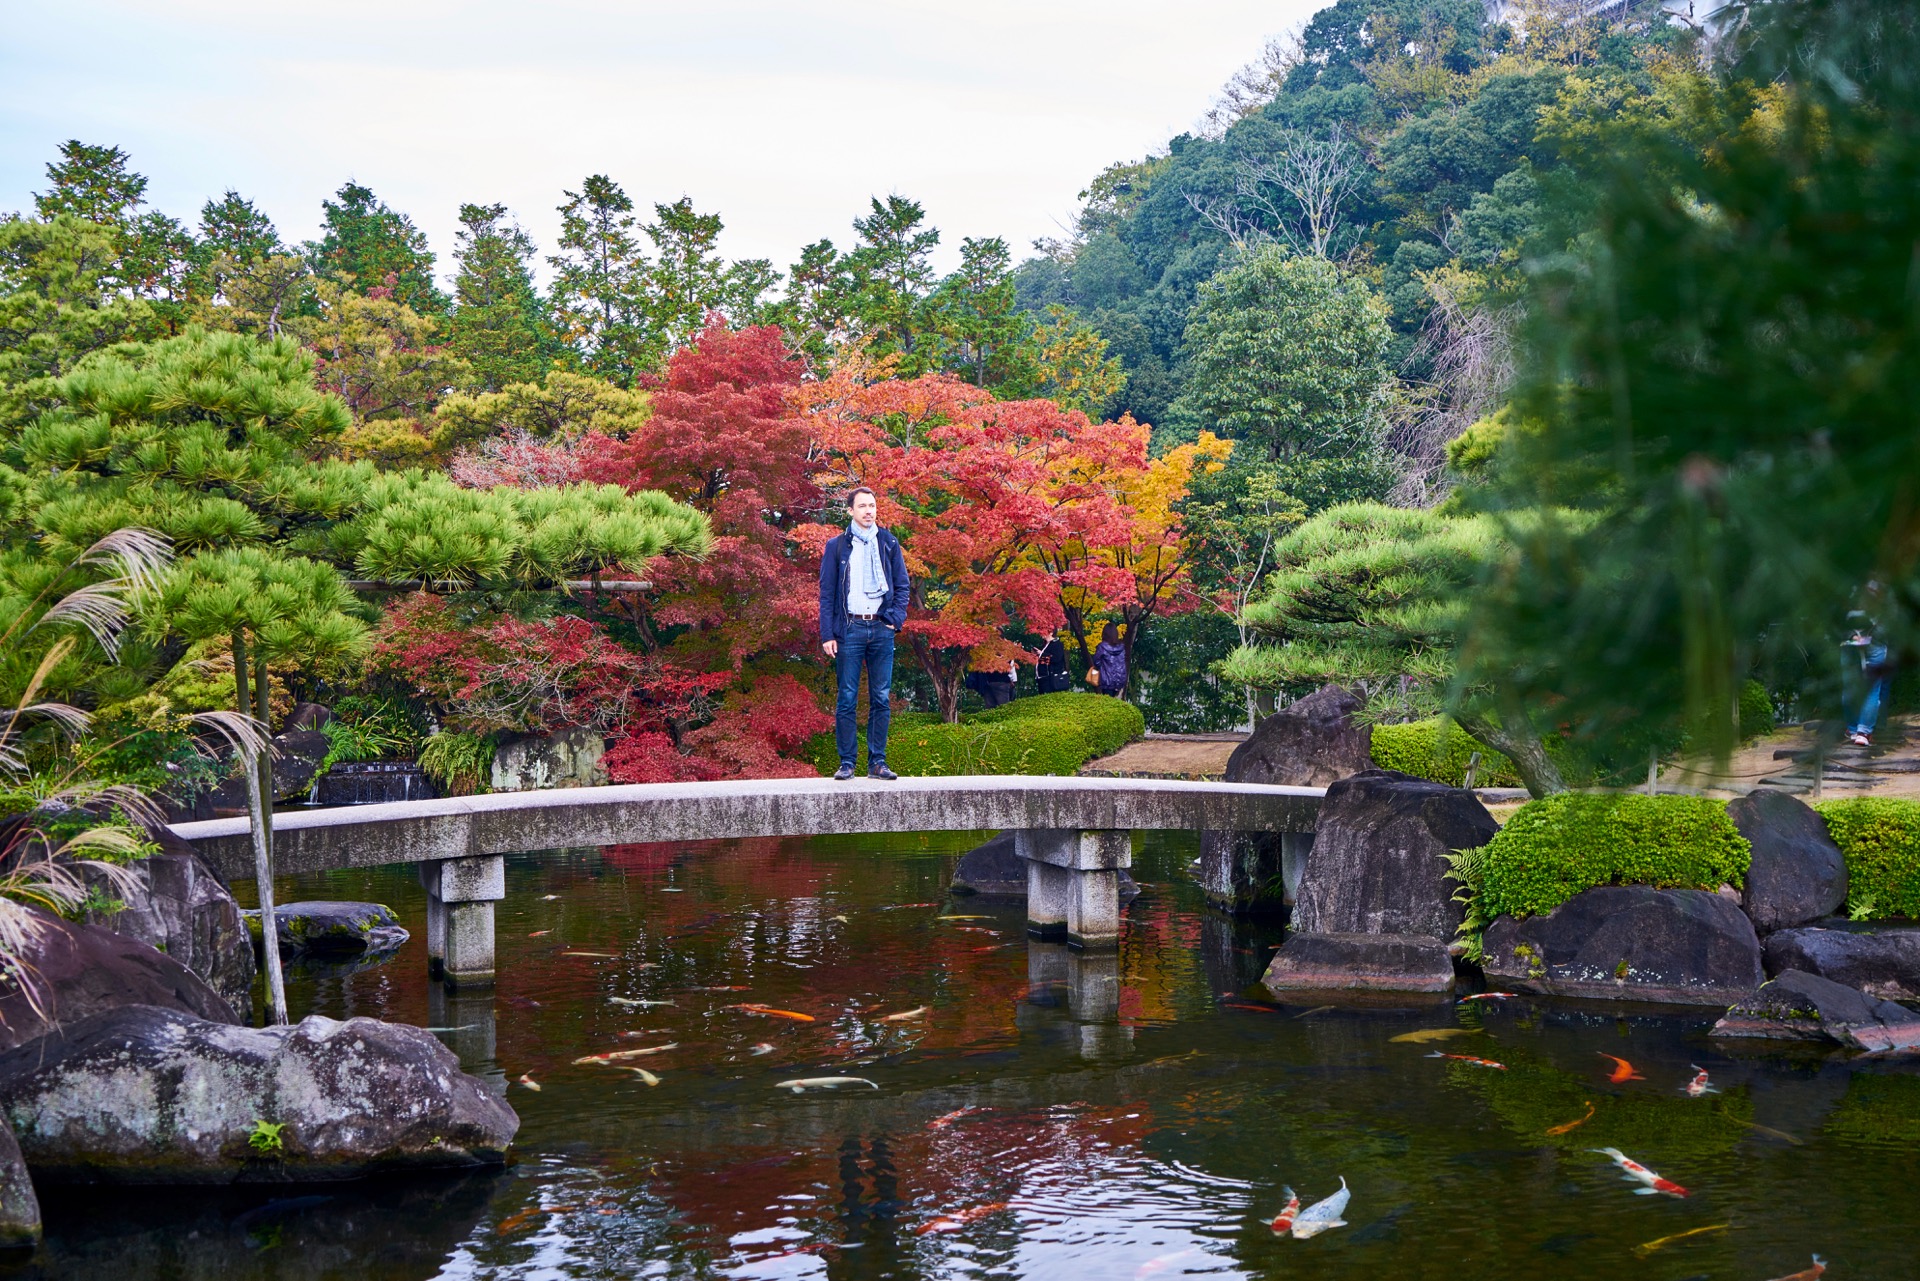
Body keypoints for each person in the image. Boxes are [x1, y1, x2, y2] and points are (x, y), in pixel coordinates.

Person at [819, 486, 911, 780]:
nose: (869, 511)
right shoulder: (836, 546)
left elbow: (902, 585)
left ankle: (878, 763)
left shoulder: (888, 542)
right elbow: (827, 593)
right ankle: (847, 763)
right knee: (847, 697)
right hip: (850, 628)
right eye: (862, 506)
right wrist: (827, 634)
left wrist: (894, 620)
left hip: (881, 629)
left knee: (881, 697)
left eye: (872, 505)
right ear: (850, 511)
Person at [1843, 606, 1893, 747]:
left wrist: (1851, 635)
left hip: (1850, 640)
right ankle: (1863, 732)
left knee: (1850, 685)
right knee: (1873, 688)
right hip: (1876, 639)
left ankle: (1853, 729)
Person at [1089, 621, 1128, 698]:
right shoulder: (1121, 647)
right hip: (1120, 679)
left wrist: (1102, 667)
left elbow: (1096, 662)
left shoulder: (1102, 647)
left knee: (1107, 702)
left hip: (1106, 680)